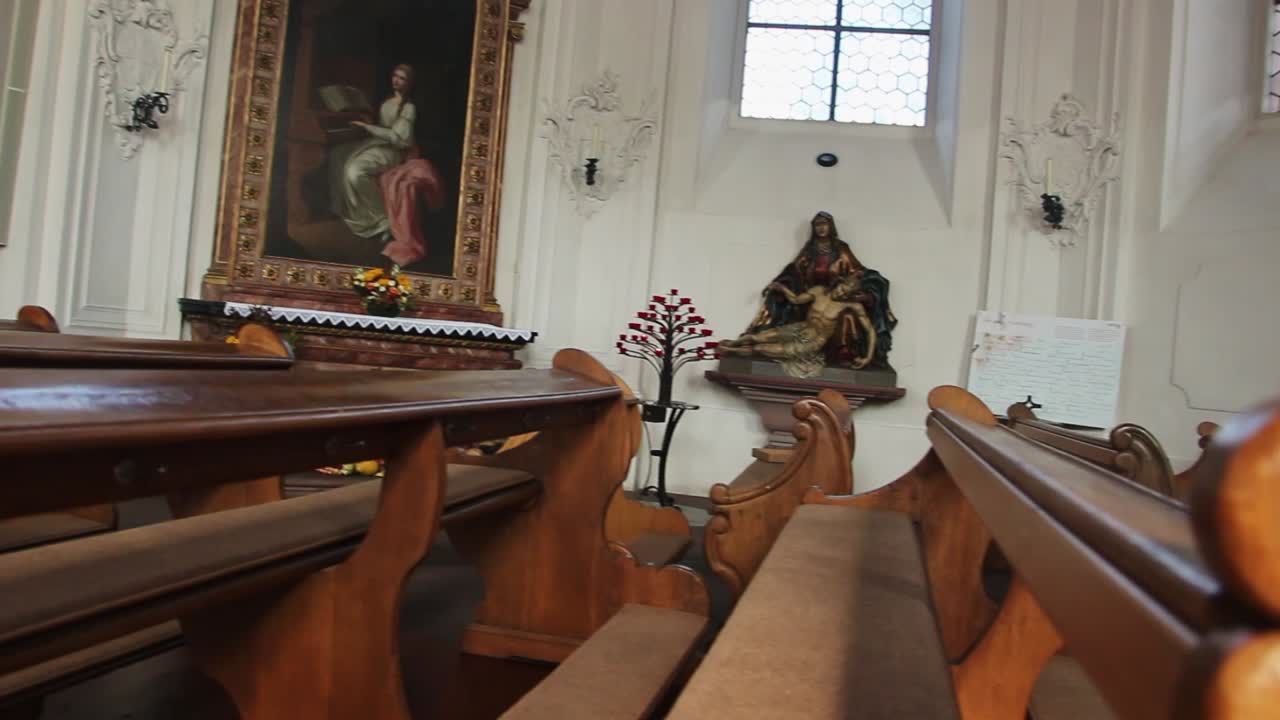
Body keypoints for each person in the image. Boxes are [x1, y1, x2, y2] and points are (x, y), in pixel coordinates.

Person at [743, 211, 898, 370]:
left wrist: (862, 292)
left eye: (825, 224)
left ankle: (844, 354)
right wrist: (780, 285)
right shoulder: (810, 249)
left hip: (835, 306)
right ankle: (742, 346)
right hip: (813, 296)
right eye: (818, 225)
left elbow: (857, 272)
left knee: (848, 318)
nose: (821, 228)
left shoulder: (841, 249)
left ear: (831, 227)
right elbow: (794, 270)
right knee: (765, 337)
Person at [721, 275, 878, 377]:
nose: (842, 294)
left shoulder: (851, 306)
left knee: (762, 349)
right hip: (801, 327)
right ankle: (733, 343)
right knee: (758, 337)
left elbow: (870, 330)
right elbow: (796, 300)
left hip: (816, 340)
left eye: (847, 294)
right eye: (842, 289)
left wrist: (868, 357)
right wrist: (782, 288)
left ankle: (730, 351)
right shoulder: (818, 291)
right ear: (839, 283)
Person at [331, 64, 419, 245]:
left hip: (392, 151)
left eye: (402, 78)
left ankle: (383, 220)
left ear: (409, 83)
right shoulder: (387, 102)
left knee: (355, 172)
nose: (396, 80)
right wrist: (366, 121)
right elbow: (384, 126)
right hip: (377, 144)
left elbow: (399, 139)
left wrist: (368, 127)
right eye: (395, 75)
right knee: (338, 155)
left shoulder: (409, 108)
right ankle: (346, 210)